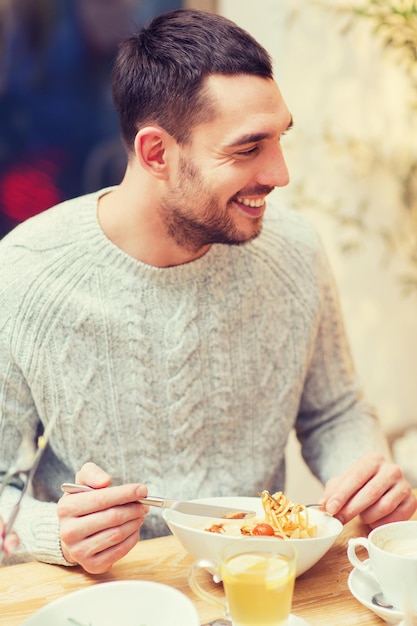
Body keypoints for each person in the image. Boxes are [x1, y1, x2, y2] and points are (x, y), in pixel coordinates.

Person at [0, 8, 415, 574]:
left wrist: (367, 473)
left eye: (279, 139)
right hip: (100, 593)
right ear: (156, 154)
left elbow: (333, 410)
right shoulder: (25, 272)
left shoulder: (294, 249)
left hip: (258, 578)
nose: (280, 173)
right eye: (248, 149)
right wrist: (54, 533)